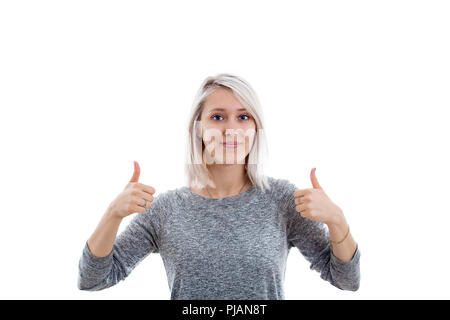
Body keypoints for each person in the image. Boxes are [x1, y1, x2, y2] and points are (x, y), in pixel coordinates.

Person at [78, 73, 361, 299]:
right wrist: (113, 213)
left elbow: (346, 280)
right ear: (198, 128)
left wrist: (337, 220)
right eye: (217, 117)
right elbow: (94, 279)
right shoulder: (166, 210)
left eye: (243, 117)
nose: (231, 130)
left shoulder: (283, 201)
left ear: (255, 128)